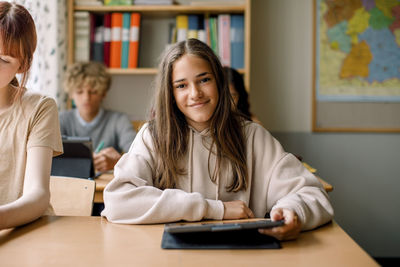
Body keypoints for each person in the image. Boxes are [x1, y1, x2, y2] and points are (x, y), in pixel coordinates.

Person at [101, 39, 333, 240]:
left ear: (220, 82)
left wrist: (292, 211)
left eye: (204, 80)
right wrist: (216, 209)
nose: (195, 93)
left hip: (242, 256)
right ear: (170, 94)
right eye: (181, 85)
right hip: (171, 257)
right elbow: (118, 201)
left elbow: (312, 194)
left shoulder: (253, 136)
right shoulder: (153, 136)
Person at [0, 2, 63, 229]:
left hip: (26, 234)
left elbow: (37, 195)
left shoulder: (39, 108)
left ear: (23, 64)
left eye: (2, 60)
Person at [60, 62, 136, 173]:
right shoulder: (61, 119)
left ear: (103, 93)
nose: (86, 98)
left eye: (93, 92)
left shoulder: (119, 120)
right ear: (71, 94)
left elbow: (137, 156)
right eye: (80, 92)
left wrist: (118, 162)